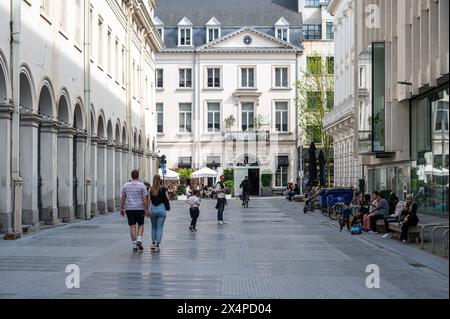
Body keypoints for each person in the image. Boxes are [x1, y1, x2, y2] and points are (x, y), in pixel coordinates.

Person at [120, 170, 149, 252]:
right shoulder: (142, 185)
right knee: (141, 225)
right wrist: (146, 209)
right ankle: (139, 239)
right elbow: (145, 198)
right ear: (138, 176)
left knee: (132, 226)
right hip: (140, 208)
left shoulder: (126, 185)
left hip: (129, 209)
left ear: (131, 176)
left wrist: (122, 208)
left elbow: (123, 197)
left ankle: (134, 245)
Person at [148, 175, 170, 252]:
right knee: (160, 228)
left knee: (153, 227)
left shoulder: (151, 189)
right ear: (160, 180)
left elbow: (148, 200)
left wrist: (147, 210)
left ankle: (153, 243)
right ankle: (157, 245)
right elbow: (167, 198)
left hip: (153, 209)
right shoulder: (164, 189)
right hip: (161, 208)